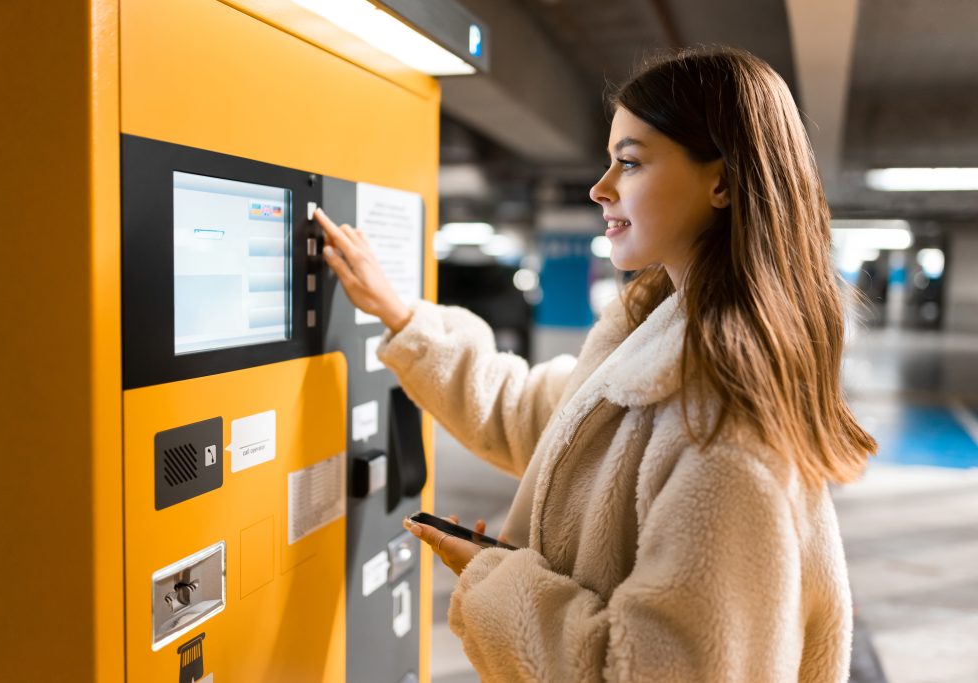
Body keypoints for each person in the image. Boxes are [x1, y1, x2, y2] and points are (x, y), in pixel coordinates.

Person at [317, 46, 876, 683]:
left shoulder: (724, 429)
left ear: (720, 181)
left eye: (630, 163)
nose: (599, 188)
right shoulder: (656, 333)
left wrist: (496, 584)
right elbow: (544, 422)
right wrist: (401, 317)